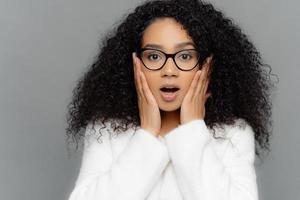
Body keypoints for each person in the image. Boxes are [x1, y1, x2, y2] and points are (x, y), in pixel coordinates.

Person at [65, 0, 277, 199]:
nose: (169, 70)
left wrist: (193, 128)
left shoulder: (234, 134)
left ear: (206, 66)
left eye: (185, 56)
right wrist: (147, 134)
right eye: (154, 56)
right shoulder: (106, 130)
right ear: (135, 63)